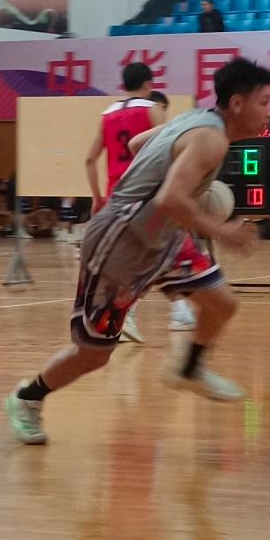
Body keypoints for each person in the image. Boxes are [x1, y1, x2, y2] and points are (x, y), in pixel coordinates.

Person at [5, 57, 270, 445]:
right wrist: (223, 231)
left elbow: (136, 145)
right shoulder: (211, 139)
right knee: (94, 353)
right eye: (264, 102)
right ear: (237, 103)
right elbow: (170, 199)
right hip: (120, 241)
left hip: (162, 238)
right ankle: (27, 398)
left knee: (222, 303)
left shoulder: (193, 119)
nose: (269, 111)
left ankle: (189, 368)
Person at [85, 63, 193, 339]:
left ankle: (161, 311)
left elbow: (89, 160)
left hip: (115, 196)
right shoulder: (152, 109)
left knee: (141, 258)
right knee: (166, 251)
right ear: (148, 84)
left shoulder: (106, 115)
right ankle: (162, 312)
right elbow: (167, 148)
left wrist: (97, 198)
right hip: (145, 194)